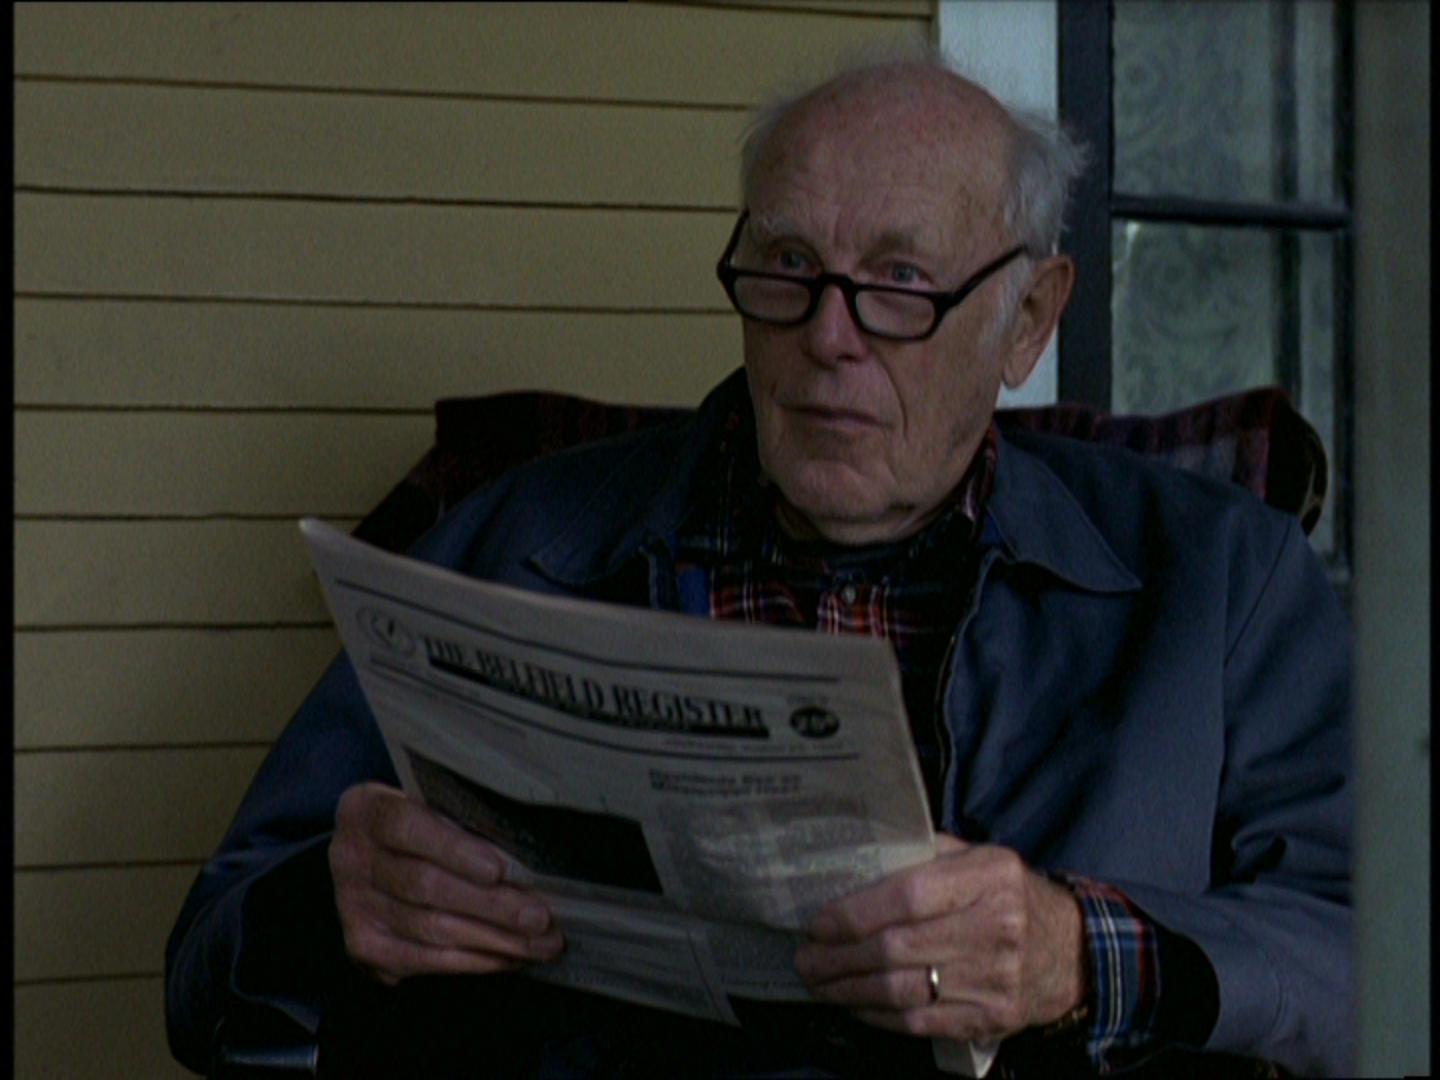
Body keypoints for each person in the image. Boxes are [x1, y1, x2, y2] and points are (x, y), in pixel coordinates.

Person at [166, 53, 1352, 1078]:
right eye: (787, 264)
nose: (826, 337)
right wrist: (330, 904)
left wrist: (1073, 956)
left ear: (1030, 320)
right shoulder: (512, 539)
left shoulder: (1221, 580)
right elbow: (207, 961)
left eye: (900, 282)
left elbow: (1374, 960)